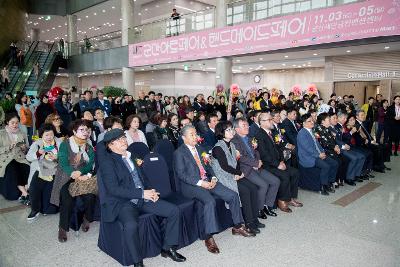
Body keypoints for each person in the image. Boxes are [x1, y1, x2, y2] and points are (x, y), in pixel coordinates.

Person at [99, 128, 186, 266]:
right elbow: (113, 189)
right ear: (110, 145)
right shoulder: (107, 163)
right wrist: (141, 193)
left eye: (123, 137)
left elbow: (143, 177)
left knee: (174, 210)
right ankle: (137, 262)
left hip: (143, 197)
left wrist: (151, 191)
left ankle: (168, 248)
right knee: (131, 225)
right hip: (124, 202)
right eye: (118, 140)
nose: (123, 141)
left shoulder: (132, 155)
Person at [174, 125, 254, 254]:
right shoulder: (179, 153)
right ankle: (208, 237)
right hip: (191, 185)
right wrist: (201, 183)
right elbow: (181, 175)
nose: (195, 137)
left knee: (233, 195)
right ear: (184, 138)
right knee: (209, 201)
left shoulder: (200, 149)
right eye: (192, 135)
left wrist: (213, 179)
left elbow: (209, 167)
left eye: (196, 134)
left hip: (207, 180)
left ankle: (238, 226)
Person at [211, 121, 262, 234]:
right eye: (228, 130)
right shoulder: (218, 148)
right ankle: (248, 222)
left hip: (234, 174)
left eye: (231, 129)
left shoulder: (232, 145)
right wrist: (239, 173)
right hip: (224, 177)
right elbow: (224, 166)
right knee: (245, 191)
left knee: (253, 188)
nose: (231, 131)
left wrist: (239, 173)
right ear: (221, 133)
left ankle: (254, 218)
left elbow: (236, 162)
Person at [51, 119, 97, 242]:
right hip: (66, 176)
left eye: (87, 130)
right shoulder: (65, 144)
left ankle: (87, 218)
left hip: (81, 176)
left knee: (90, 196)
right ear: (74, 131)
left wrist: (81, 173)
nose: (85, 132)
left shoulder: (88, 147)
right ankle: (63, 228)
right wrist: (73, 173)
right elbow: (62, 162)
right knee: (67, 198)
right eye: (82, 129)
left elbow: (91, 163)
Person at [232, 118, 280, 219]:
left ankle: (268, 205)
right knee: (264, 185)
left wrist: (258, 162)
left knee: (275, 181)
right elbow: (240, 158)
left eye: (247, 125)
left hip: (257, 166)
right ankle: (259, 209)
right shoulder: (234, 141)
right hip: (246, 169)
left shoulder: (249, 138)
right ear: (236, 129)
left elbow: (256, 151)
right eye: (243, 125)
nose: (247, 127)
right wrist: (254, 163)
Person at [255, 112, 301, 212]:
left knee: (295, 172)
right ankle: (282, 200)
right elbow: (264, 155)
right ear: (262, 122)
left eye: (271, 119)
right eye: (269, 120)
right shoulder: (259, 135)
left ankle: (291, 198)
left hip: (277, 162)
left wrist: (281, 161)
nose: (272, 121)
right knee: (284, 175)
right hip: (267, 165)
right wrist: (277, 164)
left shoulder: (273, 132)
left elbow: (279, 147)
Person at [26, 124, 61, 220]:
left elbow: (66, 157)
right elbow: (28, 157)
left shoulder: (59, 142)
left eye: (51, 134)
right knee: (34, 188)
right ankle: (34, 209)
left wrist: (57, 158)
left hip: (55, 169)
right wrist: (38, 153)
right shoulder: (37, 144)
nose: (49, 137)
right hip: (40, 169)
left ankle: (48, 209)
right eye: (46, 135)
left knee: (50, 190)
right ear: (42, 135)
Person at [297, 113, 338, 195]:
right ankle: (323, 186)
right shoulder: (302, 133)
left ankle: (330, 182)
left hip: (317, 154)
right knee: (326, 166)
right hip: (308, 157)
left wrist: (322, 152)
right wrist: (318, 155)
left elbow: (317, 144)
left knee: (334, 163)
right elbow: (307, 149)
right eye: (309, 121)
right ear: (304, 123)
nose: (312, 122)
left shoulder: (311, 131)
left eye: (312, 120)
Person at [0, 113, 30, 203]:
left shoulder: (22, 133)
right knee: (12, 169)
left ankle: (25, 193)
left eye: (17, 123)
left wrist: (24, 148)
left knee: (27, 168)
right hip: (6, 158)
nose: (15, 125)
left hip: (19, 157)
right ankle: (25, 193)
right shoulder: (1, 134)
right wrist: (9, 147)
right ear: (7, 122)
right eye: (12, 123)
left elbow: (27, 149)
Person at [330, 112, 366, 184]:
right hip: (339, 148)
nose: (345, 120)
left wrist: (345, 144)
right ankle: (349, 177)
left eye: (346, 118)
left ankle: (356, 175)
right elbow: (337, 140)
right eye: (344, 118)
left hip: (346, 146)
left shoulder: (340, 126)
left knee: (361, 157)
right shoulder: (335, 127)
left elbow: (342, 139)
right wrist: (344, 145)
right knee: (354, 158)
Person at [314, 113, 349, 187]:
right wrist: (334, 147)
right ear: (323, 121)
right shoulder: (318, 129)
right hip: (325, 150)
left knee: (345, 159)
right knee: (337, 161)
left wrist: (336, 146)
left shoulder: (327, 128)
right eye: (328, 119)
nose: (330, 120)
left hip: (332, 149)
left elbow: (333, 140)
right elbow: (323, 143)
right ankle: (333, 181)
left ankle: (339, 179)